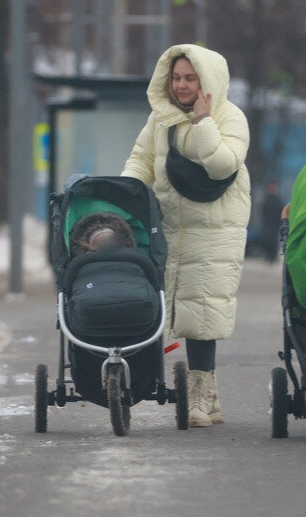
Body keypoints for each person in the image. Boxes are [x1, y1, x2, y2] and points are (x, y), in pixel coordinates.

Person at [122, 44, 250, 428]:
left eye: (189, 78)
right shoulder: (159, 118)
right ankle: (202, 398)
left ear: (206, 82)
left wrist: (203, 121)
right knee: (164, 308)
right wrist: (124, 193)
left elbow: (224, 164)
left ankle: (199, 396)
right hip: (171, 227)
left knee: (201, 311)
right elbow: (141, 159)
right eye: (175, 78)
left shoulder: (230, 117)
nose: (180, 86)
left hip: (213, 227)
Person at [260, 180, 284, 263]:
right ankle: (268, 256)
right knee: (267, 241)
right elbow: (263, 213)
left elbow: (281, 213)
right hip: (267, 225)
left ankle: (272, 257)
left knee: (273, 241)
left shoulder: (278, 201)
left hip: (275, 226)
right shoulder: (266, 200)